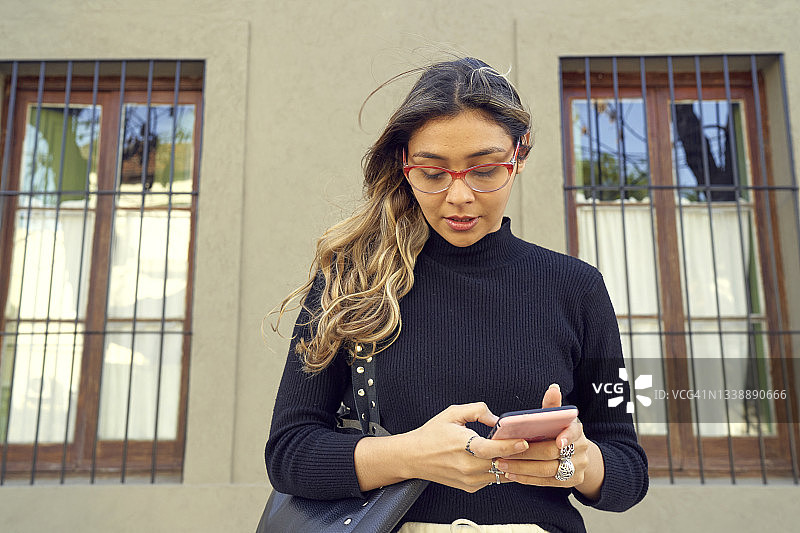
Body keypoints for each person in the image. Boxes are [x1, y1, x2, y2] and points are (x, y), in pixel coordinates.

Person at [265, 57, 648, 533]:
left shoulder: (577, 287)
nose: (460, 195)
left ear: (519, 157)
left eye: (485, 170)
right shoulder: (351, 281)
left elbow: (628, 471)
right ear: (405, 167)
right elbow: (289, 453)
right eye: (432, 172)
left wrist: (577, 464)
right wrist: (409, 456)